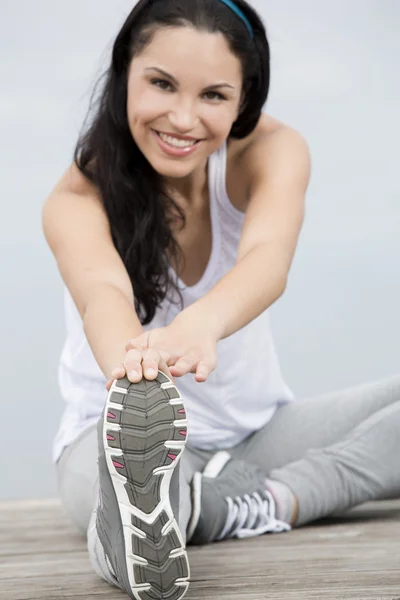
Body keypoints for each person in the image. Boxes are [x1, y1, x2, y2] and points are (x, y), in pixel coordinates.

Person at [42, 1, 400, 599]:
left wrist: (201, 324)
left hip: (257, 432)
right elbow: (101, 294)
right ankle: (180, 508)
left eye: (213, 95)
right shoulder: (77, 196)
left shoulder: (271, 150)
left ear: (244, 99)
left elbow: (267, 258)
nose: (183, 119)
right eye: (161, 84)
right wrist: (135, 368)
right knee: (142, 506)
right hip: (103, 437)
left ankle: (257, 502)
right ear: (124, 73)